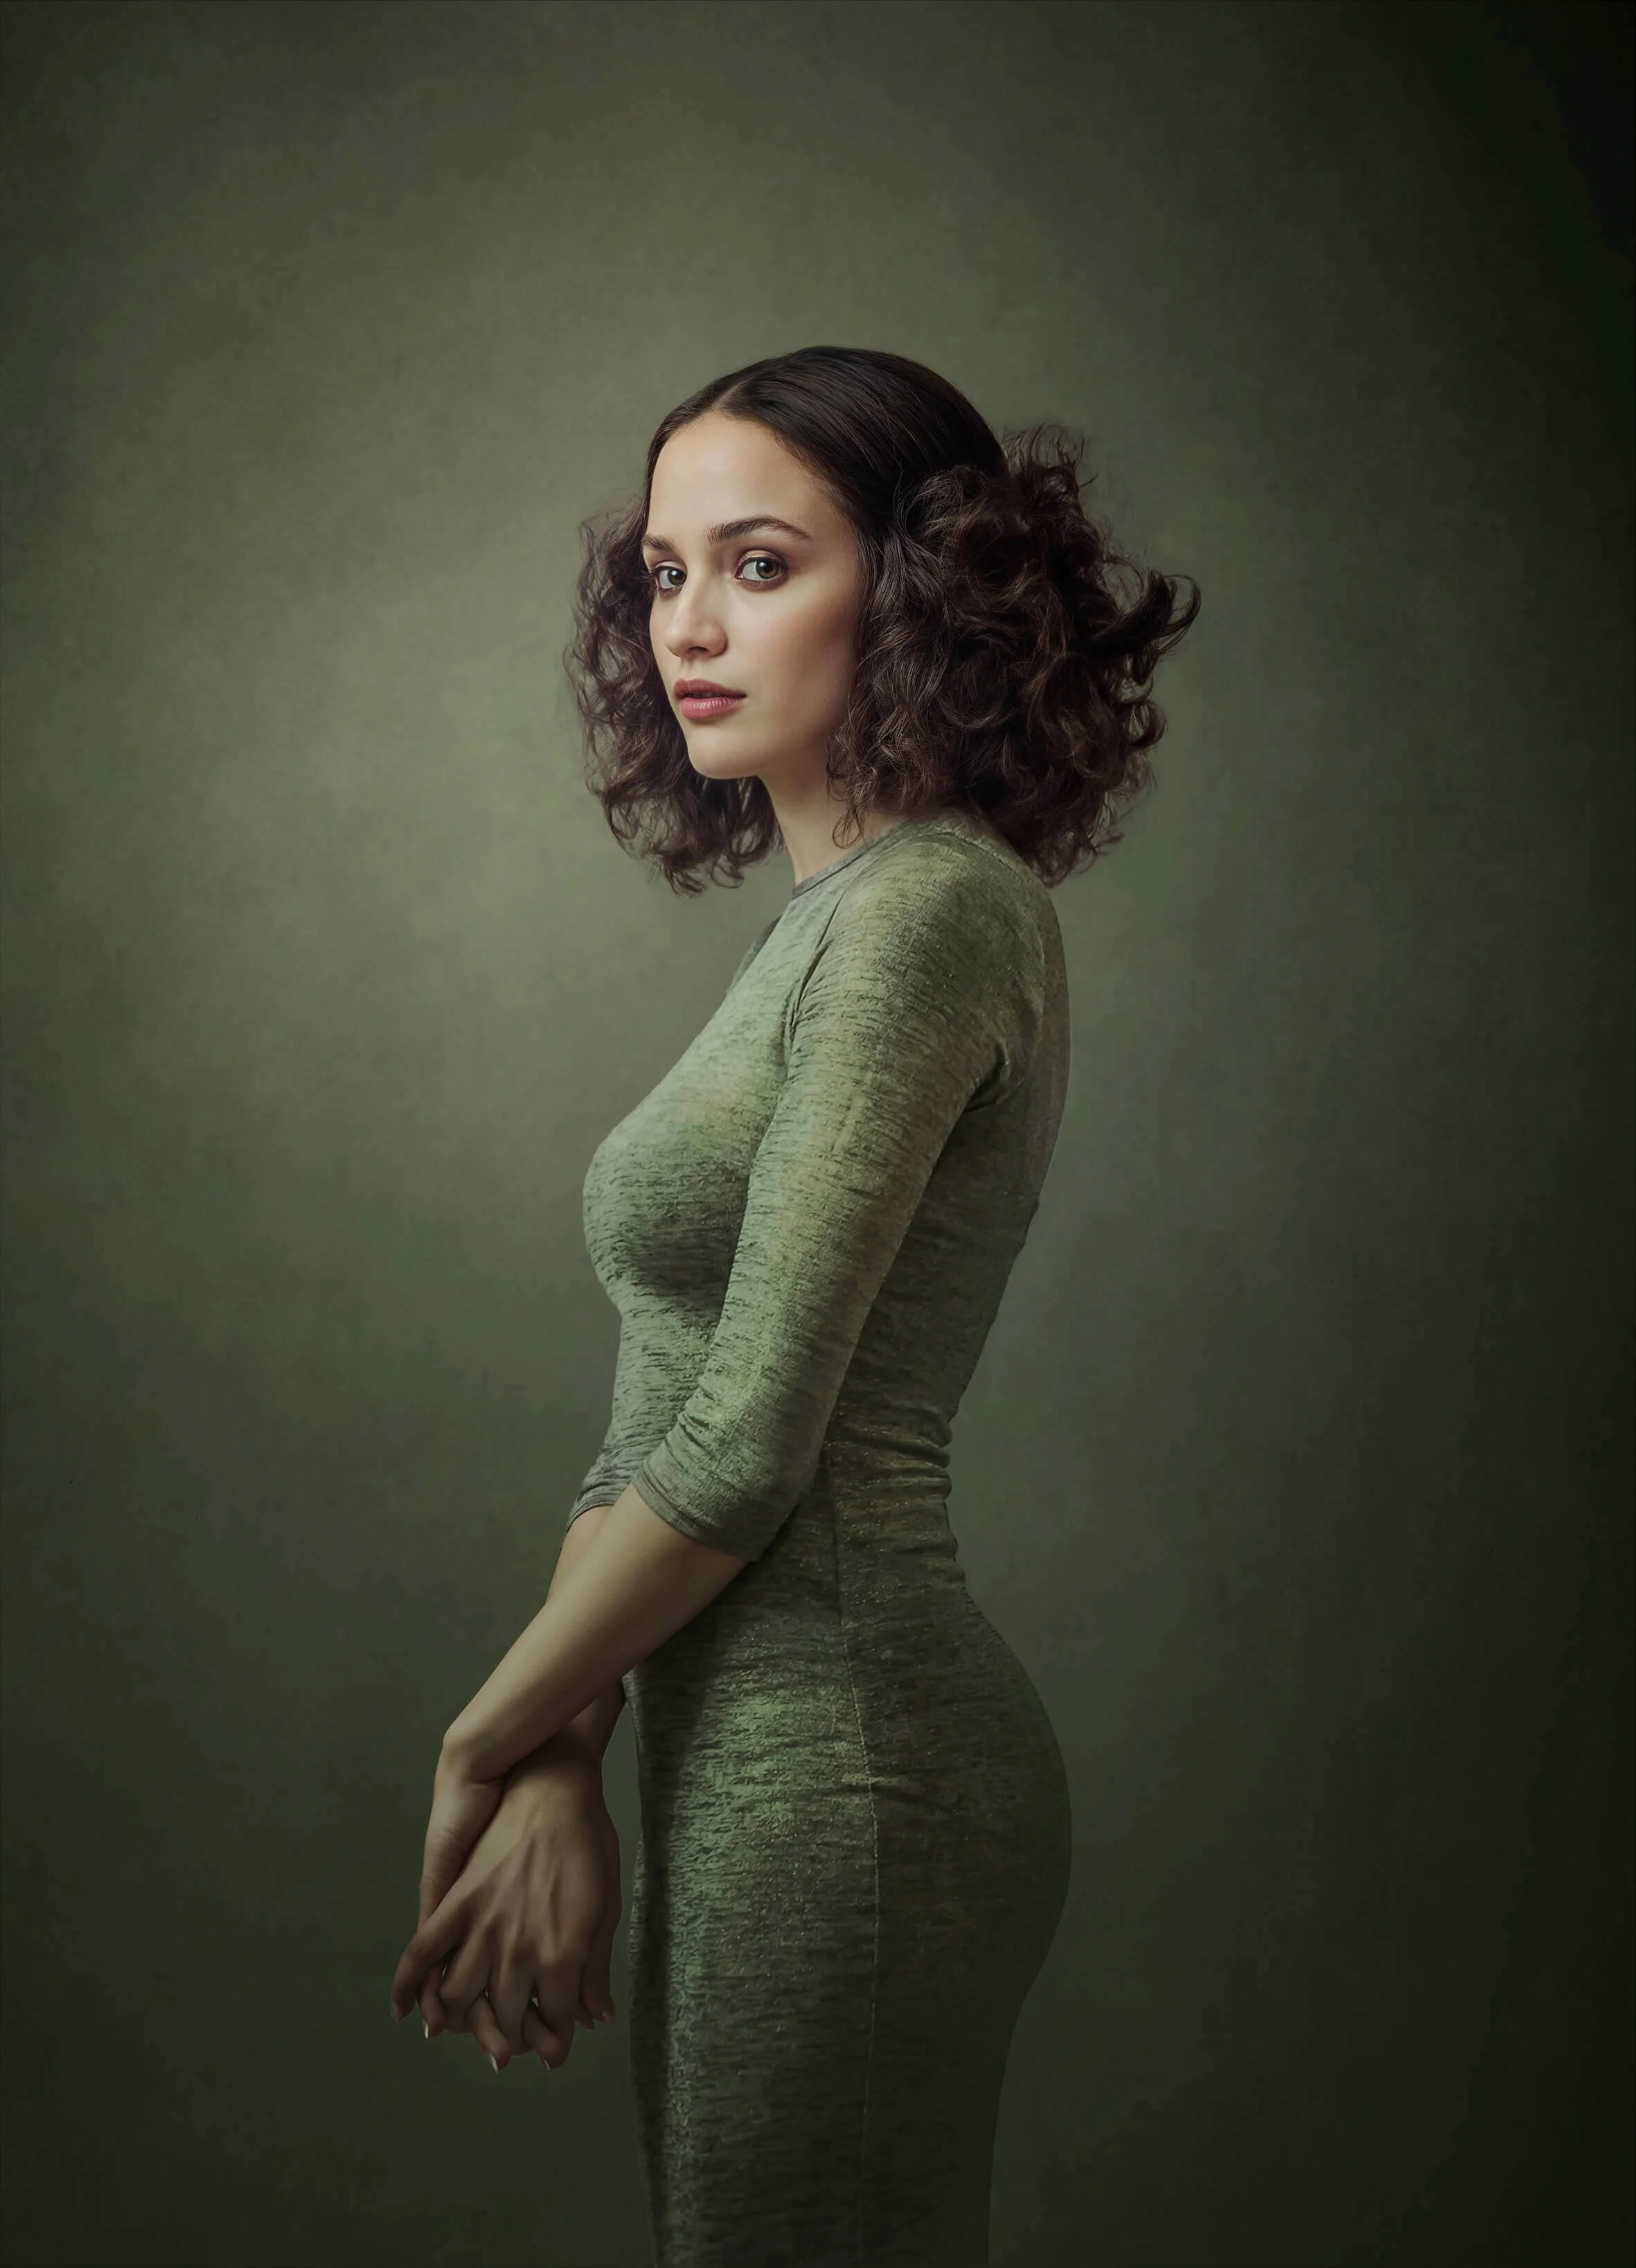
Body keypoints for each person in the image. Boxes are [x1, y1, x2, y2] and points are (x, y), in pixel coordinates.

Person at [389, 345, 1200, 2266]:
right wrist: (572, 1749)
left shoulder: (933, 913)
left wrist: (477, 1741)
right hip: (746, 1755)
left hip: (851, 1758)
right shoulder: (822, 932)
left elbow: (754, 1439)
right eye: (662, 573)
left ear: (924, 596)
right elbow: (660, 1405)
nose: (692, 625)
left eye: (760, 563)